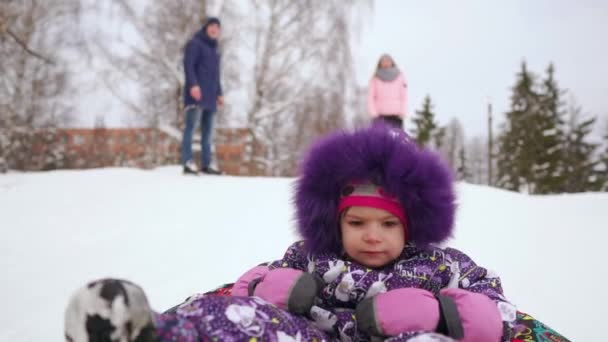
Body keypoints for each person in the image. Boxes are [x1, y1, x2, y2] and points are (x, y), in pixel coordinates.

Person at [65, 124, 561, 341]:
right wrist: (265, 288)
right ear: (334, 219)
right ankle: (150, 333)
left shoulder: (439, 265)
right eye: (356, 222)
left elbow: (502, 311)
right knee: (242, 316)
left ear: (412, 223)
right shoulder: (313, 254)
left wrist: (445, 312)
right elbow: (253, 284)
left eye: (388, 224)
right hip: (311, 337)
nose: (372, 236)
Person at [181, 17, 224, 175]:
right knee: (191, 128)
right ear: (205, 28)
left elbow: (216, 75)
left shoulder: (214, 50)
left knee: (208, 132)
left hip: (211, 96)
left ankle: (207, 164)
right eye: (212, 26)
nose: (214, 29)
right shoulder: (195, 43)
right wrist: (193, 85)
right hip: (196, 94)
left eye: (217, 27)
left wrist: (219, 93)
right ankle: (187, 162)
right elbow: (188, 65)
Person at [368, 54, 407, 129]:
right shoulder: (375, 78)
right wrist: (374, 113)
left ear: (392, 62)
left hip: (396, 116)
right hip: (380, 116)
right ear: (380, 63)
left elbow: (404, 96)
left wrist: (402, 112)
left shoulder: (400, 77)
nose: (386, 63)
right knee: (378, 139)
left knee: (396, 138)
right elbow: (371, 97)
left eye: (388, 61)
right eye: (383, 61)